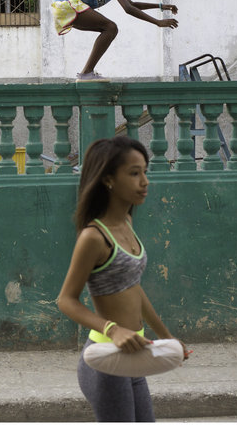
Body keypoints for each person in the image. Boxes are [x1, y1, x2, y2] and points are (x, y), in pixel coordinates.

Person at [55, 136, 185, 421]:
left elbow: (133, 288)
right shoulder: (94, 237)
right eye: (134, 173)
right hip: (106, 359)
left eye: (145, 171)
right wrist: (113, 329)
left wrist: (166, 337)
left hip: (135, 354)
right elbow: (66, 300)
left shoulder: (127, 223)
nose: (145, 181)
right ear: (109, 180)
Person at [52, 0, 180, 82]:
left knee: (109, 29)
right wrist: (158, 22)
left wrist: (160, 6)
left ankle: (86, 72)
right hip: (66, 5)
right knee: (110, 27)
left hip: (63, 8)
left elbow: (133, 5)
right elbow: (128, 9)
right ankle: (86, 73)